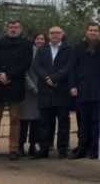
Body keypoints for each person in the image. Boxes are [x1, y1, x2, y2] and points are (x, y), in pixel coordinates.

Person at [0, 20, 32, 160]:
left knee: (15, 119)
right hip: (0, 85)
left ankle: (13, 149)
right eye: (11, 27)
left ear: (20, 30)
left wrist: (9, 75)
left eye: (16, 27)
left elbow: (26, 64)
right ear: (7, 29)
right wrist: (0, 75)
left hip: (15, 84)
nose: (13, 29)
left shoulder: (26, 45)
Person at [32, 25, 73, 160]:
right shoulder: (42, 49)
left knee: (63, 122)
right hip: (45, 91)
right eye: (52, 33)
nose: (54, 35)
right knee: (44, 122)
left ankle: (62, 149)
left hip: (61, 91)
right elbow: (36, 66)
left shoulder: (68, 49)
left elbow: (69, 67)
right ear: (48, 35)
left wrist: (55, 78)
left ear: (62, 34)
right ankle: (44, 149)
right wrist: (47, 78)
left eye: (57, 33)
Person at [67, 23, 100, 159]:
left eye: (95, 30)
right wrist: (72, 86)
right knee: (82, 120)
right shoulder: (77, 48)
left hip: (99, 90)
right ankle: (82, 147)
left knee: (96, 121)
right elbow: (72, 69)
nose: (93, 32)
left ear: (99, 33)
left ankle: (94, 148)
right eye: (90, 30)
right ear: (86, 32)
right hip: (82, 89)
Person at [18, 31, 45, 157]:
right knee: (23, 120)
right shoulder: (28, 52)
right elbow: (23, 72)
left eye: (42, 39)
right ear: (34, 40)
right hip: (27, 92)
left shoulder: (46, 53)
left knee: (36, 121)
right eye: (38, 38)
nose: (40, 41)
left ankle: (33, 144)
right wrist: (32, 86)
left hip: (42, 91)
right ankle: (20, 144)